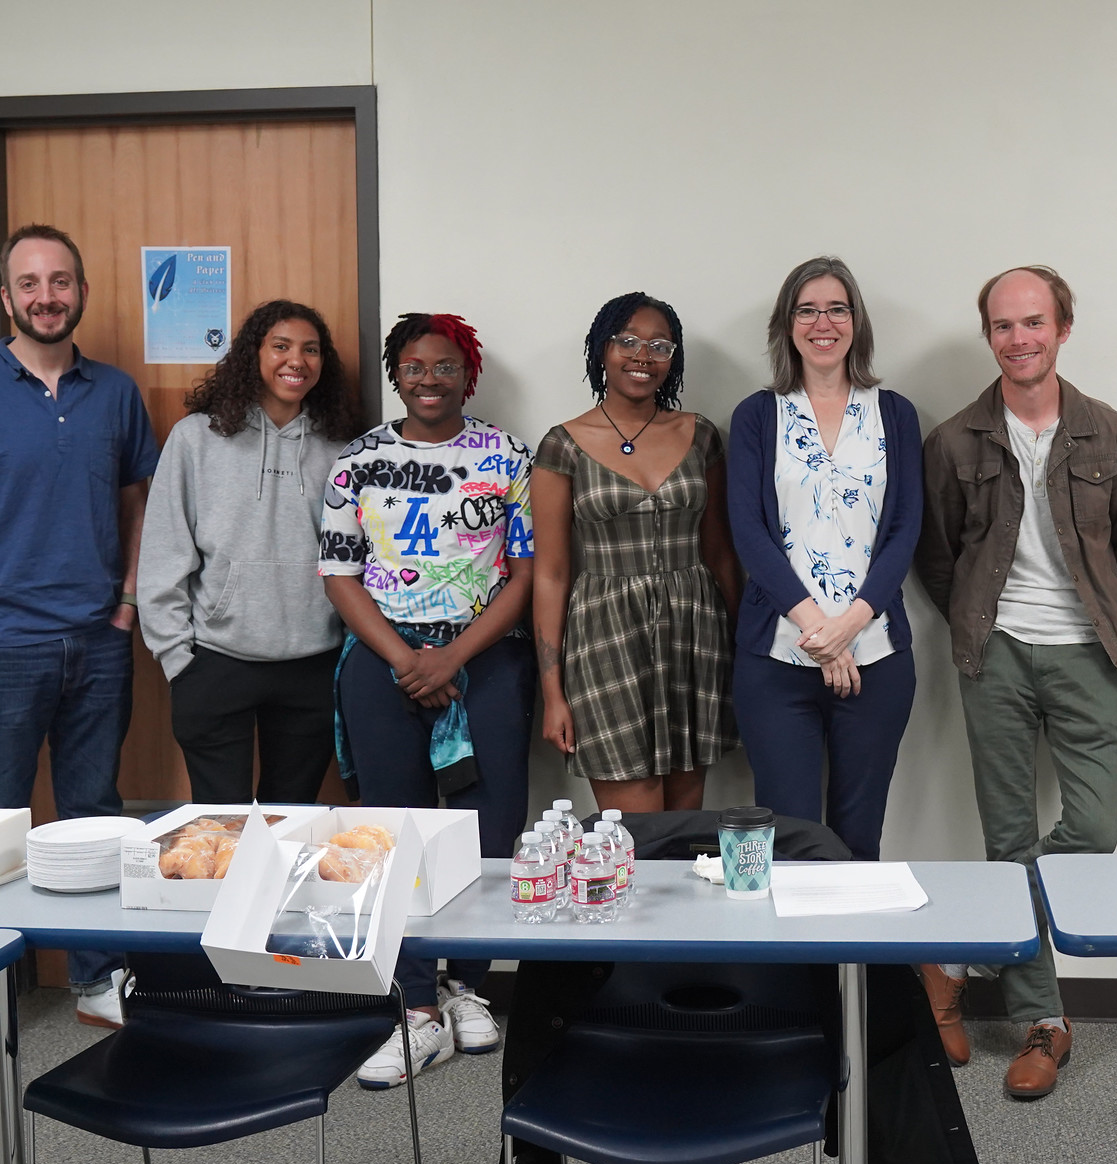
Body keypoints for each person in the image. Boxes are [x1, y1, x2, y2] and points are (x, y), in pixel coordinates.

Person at [0, 225, 155, 1080]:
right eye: (29, 283)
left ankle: (93, 975)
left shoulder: (116, 392)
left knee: (93, 812)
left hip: (97, 641)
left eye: (60, 280)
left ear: (80, 291)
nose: (45, 294)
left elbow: (136, 510)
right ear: (6, 297)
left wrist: (125, 603)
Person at [915, 265, 1117, 1098]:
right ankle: (1044, 1023)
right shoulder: (952, 440)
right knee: (1006, 839)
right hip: (997, 652)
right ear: (991, 336)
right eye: (1004, 326)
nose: (1020, 338)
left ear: (1063, 327)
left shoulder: (1108, 432)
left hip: (1088, 649)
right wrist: (982, 620)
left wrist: (1092, 613)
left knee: (1092, 826)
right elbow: (937, 557)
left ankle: (957, 959)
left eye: (1034, 322)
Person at [318, 312, 535, 1089]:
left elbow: (525, 573)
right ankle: (414, 1006)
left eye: (446, 366)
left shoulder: (508, 456)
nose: (430, 378)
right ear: (396, 374)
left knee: (492, 822)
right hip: (384, 658)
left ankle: (468, 984)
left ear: (466, 374)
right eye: (415, 366)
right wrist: (407, 656)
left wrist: (453, 655)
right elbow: (340, 574)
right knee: (393, 831)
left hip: (485, 658)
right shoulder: (358, 462)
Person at [728, 258, 922, 861]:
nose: (823, 322)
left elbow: (905, 530)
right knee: (789, 841)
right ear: (787, 325)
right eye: (807, 309)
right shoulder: (758, 416)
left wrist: (849, 627)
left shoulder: (895, 413)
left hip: (878, 655)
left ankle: (857, 961)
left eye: (837, 308)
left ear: (856, 322)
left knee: (858, 840)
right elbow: (749, 532)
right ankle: (795, 962)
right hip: (779, 658)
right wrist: (821, 631)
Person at [138, 300, 362, 805]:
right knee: (221, 829)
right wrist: (177, 657)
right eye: (280, 346)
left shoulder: (341, 448)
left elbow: (358, 559)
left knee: (290, 821)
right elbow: (164, 549)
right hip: (215, 661)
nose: (296, 361)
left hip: (313, 661)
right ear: (252, 355)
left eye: (310, 350)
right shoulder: (197, 438)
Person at [535, 293, 741, 811]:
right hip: (605, 637)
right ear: (602, 350)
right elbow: (552, 574)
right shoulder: (564, 444)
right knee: (633, 835)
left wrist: (745, 655)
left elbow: (719, 555)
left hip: (695, 635)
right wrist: (553, 692)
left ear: (674, 358)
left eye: (658, 345)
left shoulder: (701, 437)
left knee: (685, 830)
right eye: (627, 341)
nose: (642, 356)